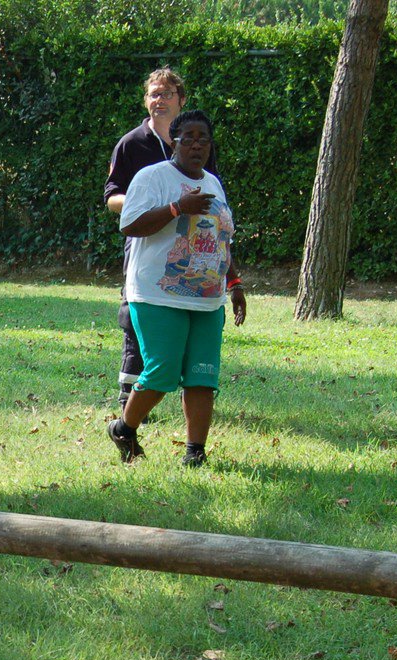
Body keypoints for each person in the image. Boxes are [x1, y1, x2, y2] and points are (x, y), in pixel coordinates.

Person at [107, 110, 246, 468]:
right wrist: (175, 208)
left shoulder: (213, 183)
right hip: (156, 293)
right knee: (162, 372)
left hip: (207, 298)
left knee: (202, 375)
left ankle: (195, 452)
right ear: (175, 141)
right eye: (189, 137)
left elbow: (220, 238)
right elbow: (130, 226)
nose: (197, 144)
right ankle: (124, 428)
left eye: (204, 138)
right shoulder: (152, 177)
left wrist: (234, 283)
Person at [103, 69, 223, 411]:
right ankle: (130, 392)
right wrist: (155, 204)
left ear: (181, 100)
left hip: (192, 247)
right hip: (146, 241)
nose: (160, 100)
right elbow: (112, 197)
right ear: (146, 100)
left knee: (187, 319)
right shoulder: (130, 143)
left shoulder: (194, 140)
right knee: (137, 312)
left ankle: (187, 386)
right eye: (154, 94)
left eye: (167, 94)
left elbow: (209, 191)